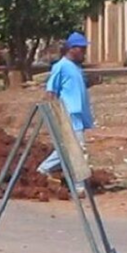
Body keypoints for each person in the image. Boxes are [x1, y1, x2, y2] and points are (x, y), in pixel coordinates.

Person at [37, 32, 93, 177]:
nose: (84, 52)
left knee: (69, 148)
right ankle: (79, 184)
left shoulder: (76, 67)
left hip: (78, 113)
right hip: (68, 113)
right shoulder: (60, 66)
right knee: (77, 149)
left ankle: (44, 170)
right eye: (82, 49)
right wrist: (54, 114)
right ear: (72, 49)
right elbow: (51, 91)